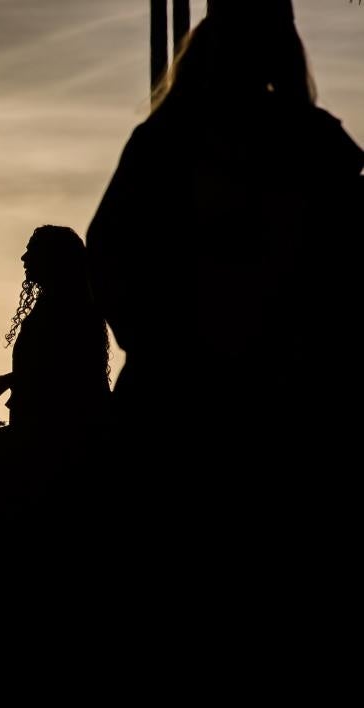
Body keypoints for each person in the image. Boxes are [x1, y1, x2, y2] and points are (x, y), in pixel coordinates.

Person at [85, 1, 362, 599]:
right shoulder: (312, 141)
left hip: (240, 394)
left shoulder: (303, 142)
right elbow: (109, 249)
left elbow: (109, 249)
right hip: (241, 395)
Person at [0, 225, 111, 436]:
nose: (23, 258)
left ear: (52, 258)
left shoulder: (70, 307)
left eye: (31, 251)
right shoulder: (56, 303)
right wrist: (9, 380)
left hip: (62, 432)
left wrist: (9, 380)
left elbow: (67, 371)